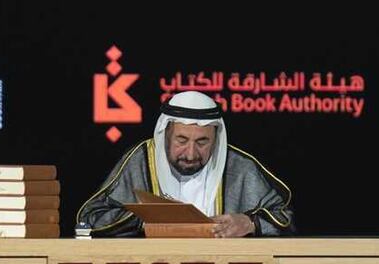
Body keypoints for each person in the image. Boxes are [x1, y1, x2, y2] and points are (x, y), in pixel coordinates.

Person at [77, 90, 294, 237]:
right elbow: (89, 219)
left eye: (202, 142)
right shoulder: (141, 161)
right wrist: (144, 220)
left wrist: (249, 223)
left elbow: (286, 218)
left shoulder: (240, 167)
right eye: (181, 140)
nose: (191, 154)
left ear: (216, 139)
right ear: (165, 135)